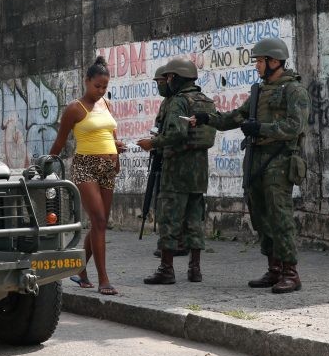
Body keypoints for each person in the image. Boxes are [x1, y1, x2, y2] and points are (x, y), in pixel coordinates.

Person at [191, 38, 310, 294]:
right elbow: (236, 116)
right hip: (256, 158)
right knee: (260, 214)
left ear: (274, 61)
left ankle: (291, 272)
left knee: (280, 216)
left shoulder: (293, 90)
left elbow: (295, 126)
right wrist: (206, 118)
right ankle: (274, 268)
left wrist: (262, 128)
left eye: (259, 60)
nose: (256, 65)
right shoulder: (259, 90)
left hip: (279, 159)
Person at [49, 56, 126, 296]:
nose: (101, 91)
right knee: (100, 221)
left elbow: (111, 136)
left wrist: (117, 151)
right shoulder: (75, 108)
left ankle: (81, 272)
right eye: (97, 86)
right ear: (86, 81)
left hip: (108, 168)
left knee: (99, 224)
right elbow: (60, 142)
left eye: (105, 87)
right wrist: (47, 165)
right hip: (85, 167)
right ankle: (104, 279)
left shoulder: (107, 105)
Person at [137, 58, 216, 285]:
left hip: (177, 169)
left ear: (178, 78)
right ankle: (195, 269)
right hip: (199, 169)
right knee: (194, 219)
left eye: (170, 77)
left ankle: (166, 269)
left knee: (169, 218)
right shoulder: (205, 101)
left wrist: (152, 143)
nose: (167, 81)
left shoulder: (177, 102)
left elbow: (177, 134)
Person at [148, 63, 190, 259]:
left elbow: (177, 132)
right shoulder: (166, 102)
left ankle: (177, 241)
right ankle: (169, 240)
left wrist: (156, 141)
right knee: (162, 198)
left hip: (176, 157)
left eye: (162, 82)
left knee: (174, 203)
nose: (160, 85)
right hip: (163, 154)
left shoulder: (178, 101)